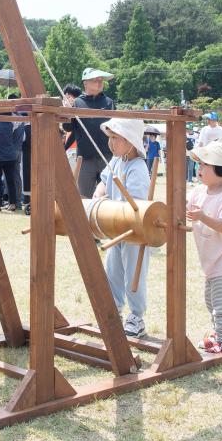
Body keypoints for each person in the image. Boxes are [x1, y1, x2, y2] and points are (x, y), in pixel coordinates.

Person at [93, 117, 152, 337]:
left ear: (130, 141)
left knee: (134, 275)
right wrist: (99, 193)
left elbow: (137, 201)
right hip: (114, 227)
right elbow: (103, 181)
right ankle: (114, 310)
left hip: (134, 230)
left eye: (115, 138)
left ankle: (136, 316)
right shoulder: (116, 161)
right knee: (113, 271)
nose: (110, 143)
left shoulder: (137, 167)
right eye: (110, 138)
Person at [187, 140, 222, 359]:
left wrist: (202, 217)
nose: (199, 169)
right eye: (199, 165)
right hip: (211, 263)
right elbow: (182, 206)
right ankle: (217, 335)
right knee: (211, 302)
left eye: (205, 165)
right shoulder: (198, 192)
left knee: (221, 306)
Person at [69, 68, 115, 197]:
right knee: (84, 197)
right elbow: (68, 128)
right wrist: (66, 111)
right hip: (85, 159)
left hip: (107, 157)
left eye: (101, 80)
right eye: (95, 80)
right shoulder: (77, 103)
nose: (100, 83)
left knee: (107, 197)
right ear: (85, 83)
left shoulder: (109, 102)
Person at [0, 103, 25, 211]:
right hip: (10, 156)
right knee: (10, 180)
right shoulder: (12, 124)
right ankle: (13, 204)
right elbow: (21, 132)